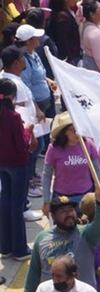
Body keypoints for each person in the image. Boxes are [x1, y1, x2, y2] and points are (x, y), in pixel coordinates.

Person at [25, 189, 100, 292]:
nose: (69, 214)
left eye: (71, 210)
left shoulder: (86, 234)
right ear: (53, 216)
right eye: (63, 211)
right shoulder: (42, 238)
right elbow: (34, 272)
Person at [42, 113, 100, 215]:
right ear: (64, 132)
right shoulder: (54, 149)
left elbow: (97, 170)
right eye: (73, 130)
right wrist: (46, 200)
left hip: (85, 196)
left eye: (78, 129)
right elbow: (47, 175)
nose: (77, 133)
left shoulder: (88, 145)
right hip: (62, 198)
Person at [0, 77, 32, 261]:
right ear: (12, 96)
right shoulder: (14, 117)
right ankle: (19, 249)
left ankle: (5, 246)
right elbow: (21, 144)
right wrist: (28, 130)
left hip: (2, 164)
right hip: (17, 164)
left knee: (5, 202)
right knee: (17, 205)